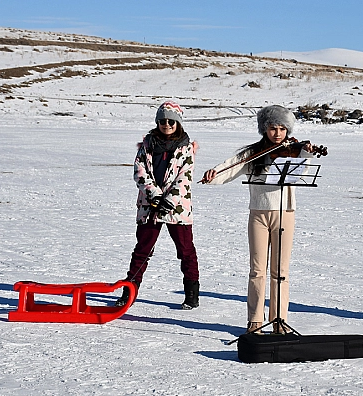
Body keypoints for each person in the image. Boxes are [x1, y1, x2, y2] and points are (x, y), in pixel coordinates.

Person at [202, 105, 317, 334]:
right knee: (257, 270)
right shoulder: (253, 153)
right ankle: (255, 319)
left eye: (282, 129)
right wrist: (213, 173)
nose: (277, 134)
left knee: (280, 271)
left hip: (285, 214)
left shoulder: (293, 150)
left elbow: (302, 171)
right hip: (258, 214)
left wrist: (307, 153)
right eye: (273, 128)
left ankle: (278, 320)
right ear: (265, 129)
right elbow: (230, 167)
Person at [116, 101, 201, 310]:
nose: (167, 124)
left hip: (177, 208)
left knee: (185, 250)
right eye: (162, 121)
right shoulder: (147, 145)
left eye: (171, 121)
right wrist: (154, 195)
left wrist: (169, 201)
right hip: (149, 205)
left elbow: (185, 178)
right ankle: (130, 291)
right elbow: (139, 171)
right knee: (142, 250)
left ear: (178, 123)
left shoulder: (186, 148)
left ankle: (191, 293)